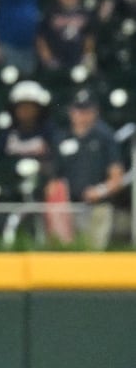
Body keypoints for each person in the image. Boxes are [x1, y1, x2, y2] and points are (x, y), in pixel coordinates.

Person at [49, 89, 123, 250]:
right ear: (71, 111)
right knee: (66, 255)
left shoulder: (105, 137)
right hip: (69, 208)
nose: (82, 115)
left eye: (86, 110)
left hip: (98, 207)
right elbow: (55, 179)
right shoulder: (63, 137)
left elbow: (117, 177)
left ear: (95, 112)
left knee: (93, 254)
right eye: (78, 110)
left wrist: (100, 190)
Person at [36, 0, 95, 73]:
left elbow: (90, 37)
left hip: (78, 61)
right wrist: (47, 59)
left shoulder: (86, 13)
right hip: (55, 62)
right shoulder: (49, 13)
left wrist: (87, 56)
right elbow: (41, 37)